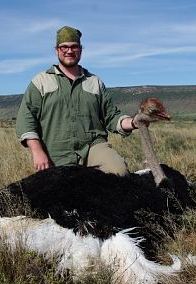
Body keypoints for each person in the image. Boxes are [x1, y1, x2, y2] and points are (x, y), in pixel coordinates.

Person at [16, 26, 141, 176]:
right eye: (64, 47)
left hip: (93, 147)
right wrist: (37, 152)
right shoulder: (40, 81)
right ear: (56, 50)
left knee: (119, 173)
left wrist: (134, 122)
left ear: (80, 50)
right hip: (55, 153)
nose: (69, 51)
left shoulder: (94, 82)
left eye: (74, 46)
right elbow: (26, 119)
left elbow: (111, 116)